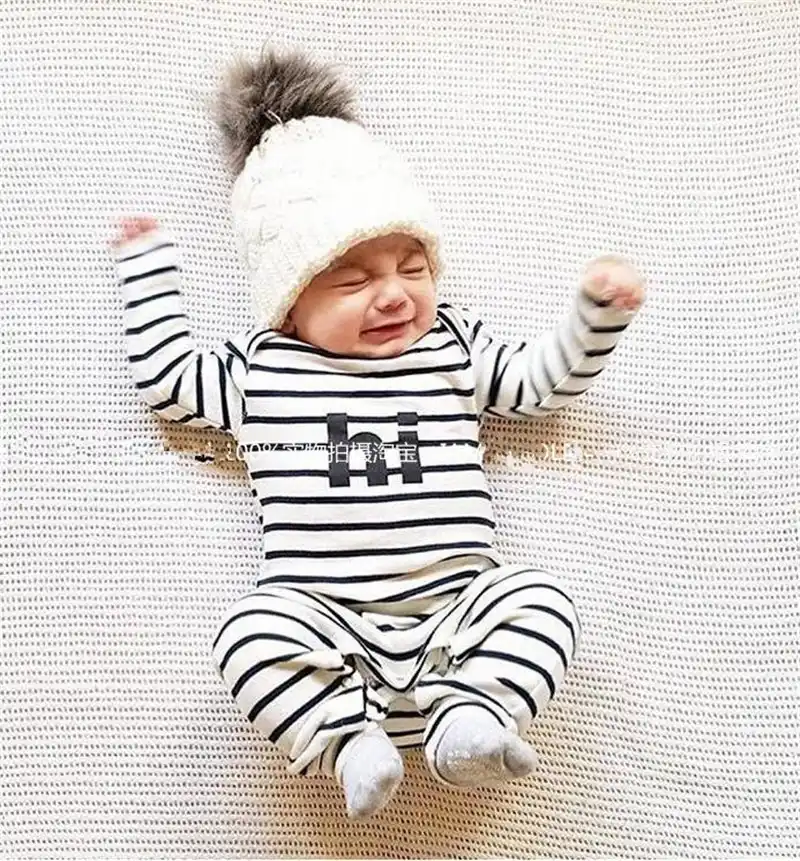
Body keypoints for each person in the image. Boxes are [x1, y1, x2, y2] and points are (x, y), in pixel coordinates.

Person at [108, 45, 644, 820]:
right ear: (290, 301)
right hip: (324, 624)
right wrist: (147, 272)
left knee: (542, 600)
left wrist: (594, 318)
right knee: (246, 634)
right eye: (355, 280)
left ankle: (467, 720)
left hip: (461, 612)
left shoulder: (450, 345)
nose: (393, 295)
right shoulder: (264, 368)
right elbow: (168, 380)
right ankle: (348, 743)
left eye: (412, 269)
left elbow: (538, 387)